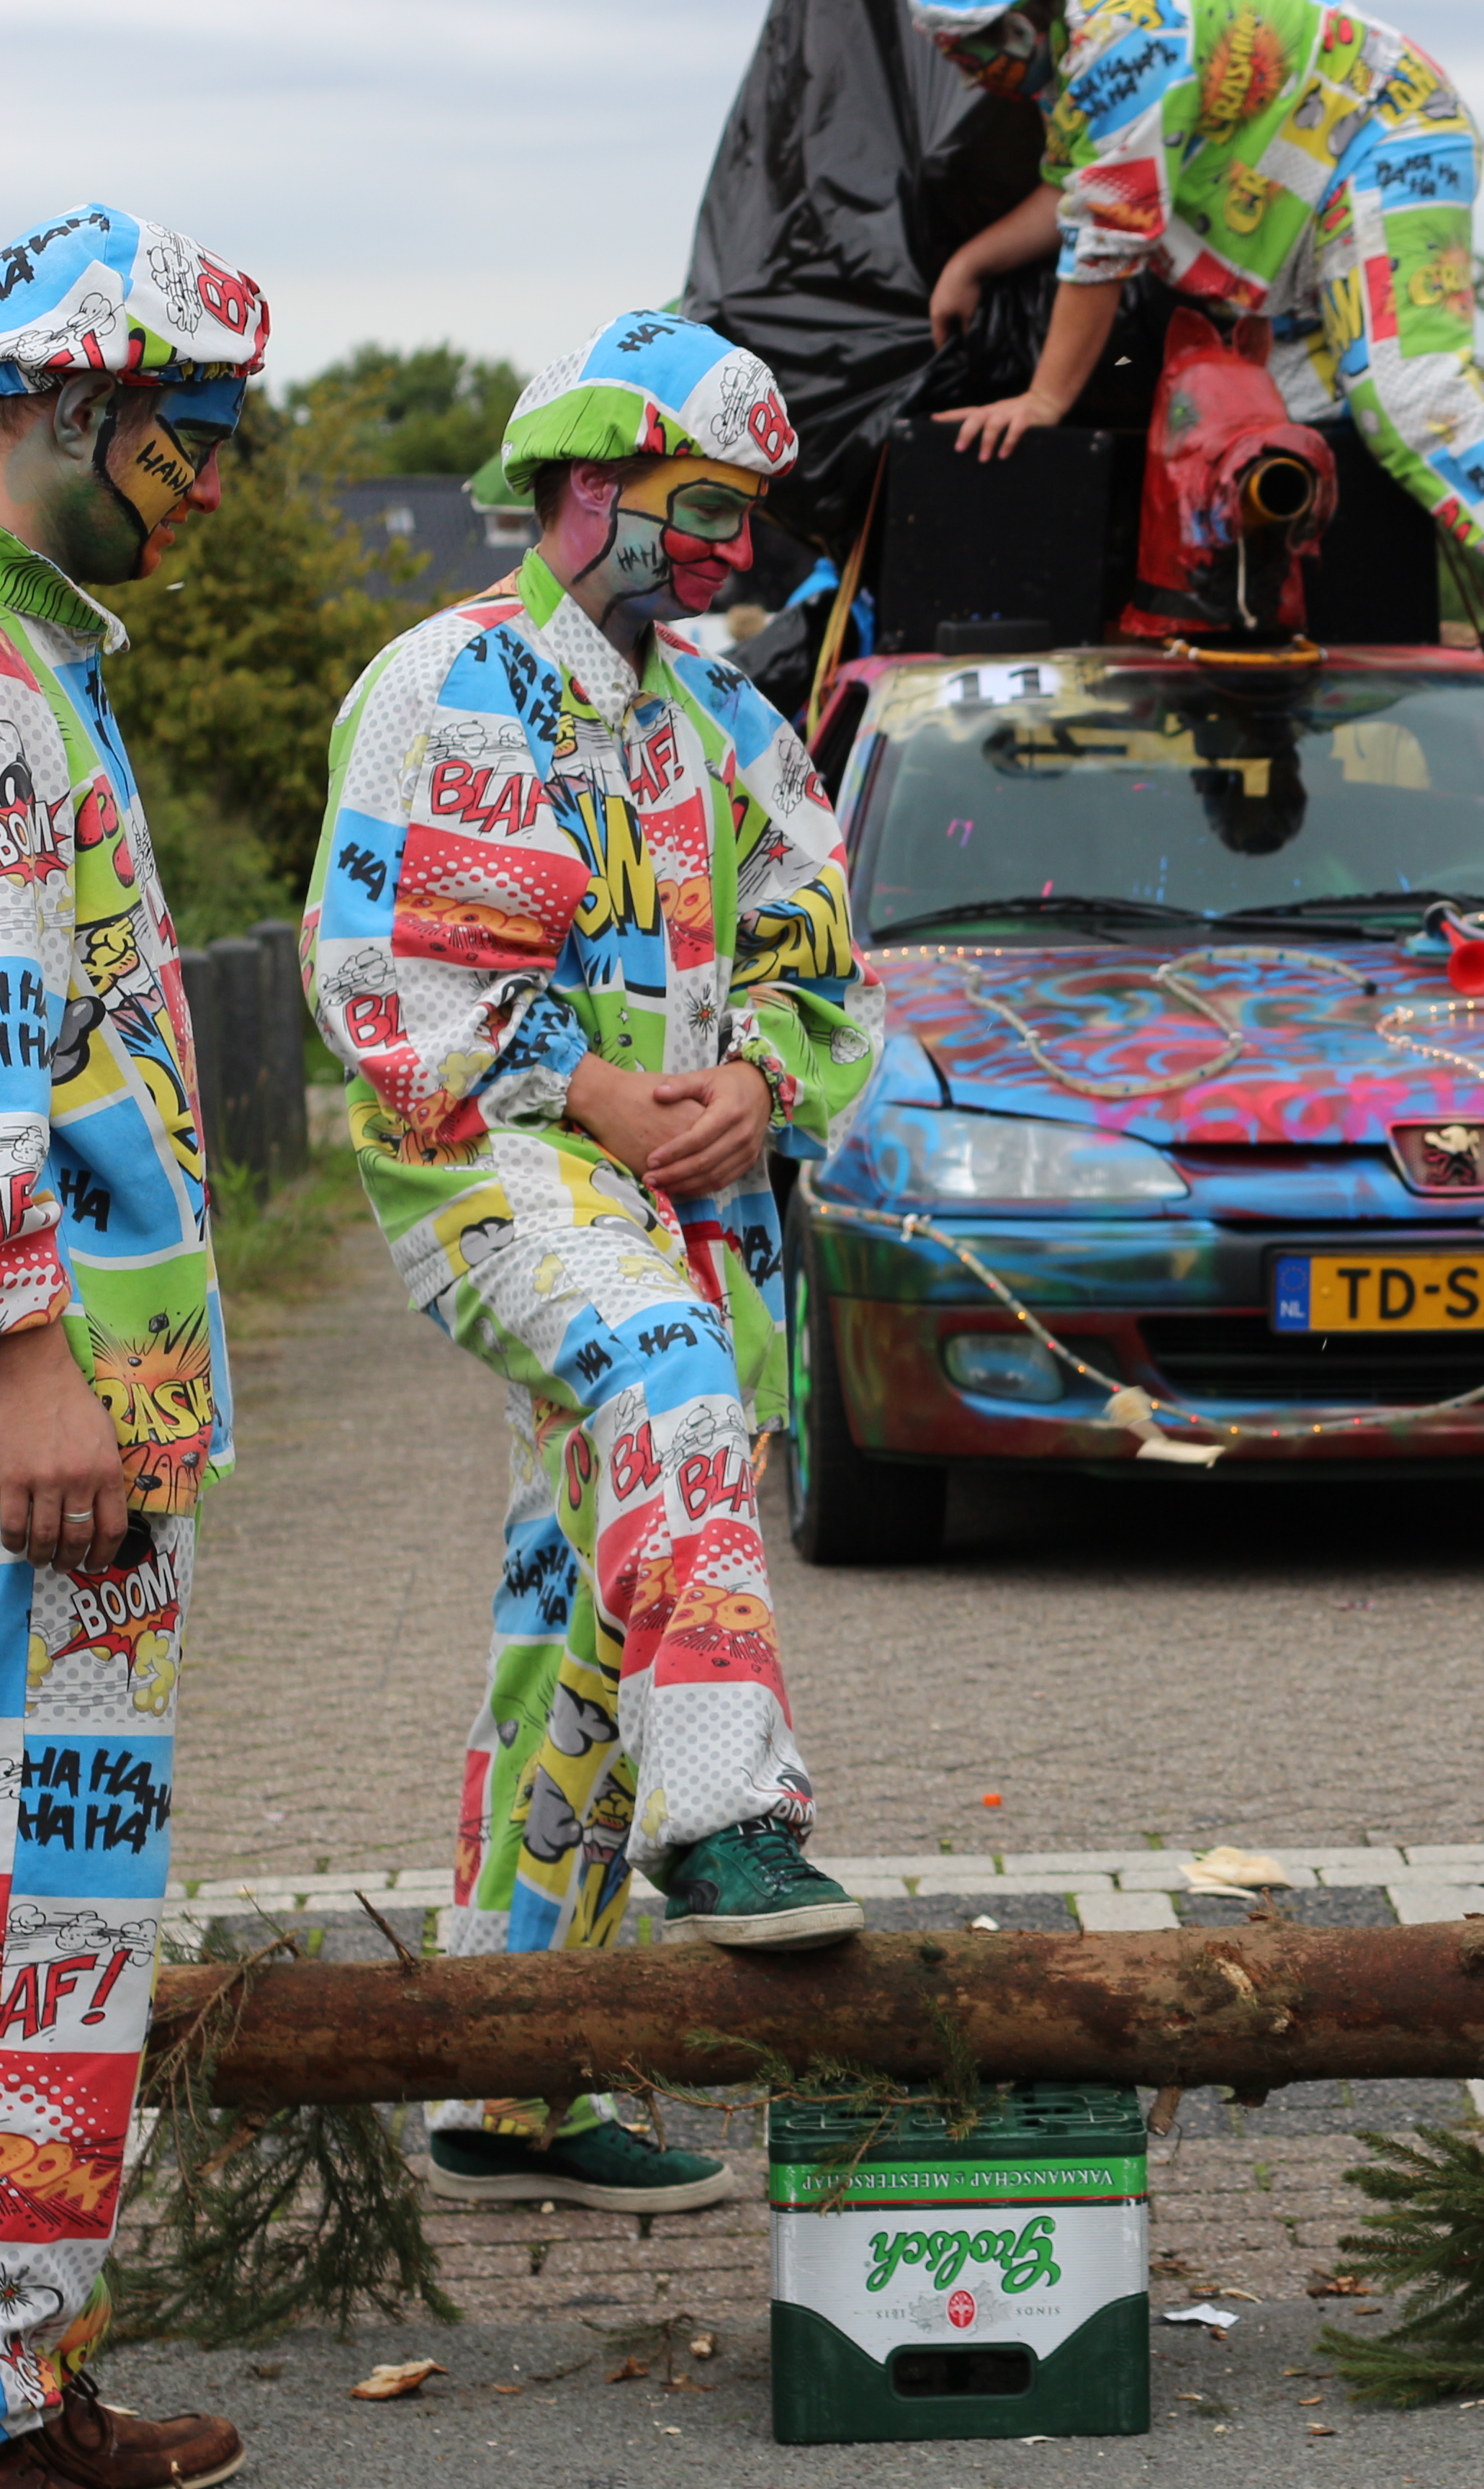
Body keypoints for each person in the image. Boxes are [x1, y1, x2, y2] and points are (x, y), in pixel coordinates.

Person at [308, 313, 884, 2215]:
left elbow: (823, 976)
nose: (733, 550)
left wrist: (752, 1087)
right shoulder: (451, 683)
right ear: (583, 485)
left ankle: (510, 2080)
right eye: (702, 508)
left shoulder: (734, 720)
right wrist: (609, 1099)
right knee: (663, 1378)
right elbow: (387, 979)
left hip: (695, 1202)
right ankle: (729, 1813)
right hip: (499, 1176)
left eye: (750, 515)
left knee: (579, 1627)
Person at [0, 199, 264, 2489]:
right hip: (48, 1411)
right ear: (68, 403)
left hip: (94, 1388)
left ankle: (22, 2370)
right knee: (51, 1901)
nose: (213, 487)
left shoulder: (42, 662)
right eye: (192, 439)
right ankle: (8, 2389)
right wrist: (31, 1361)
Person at [908, 0, 1484, 659]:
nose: (968, 77)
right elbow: (1079, 191)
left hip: (1390, 137)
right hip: (1321, 179)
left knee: (1404, 389)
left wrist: (1043, 402)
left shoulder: (1120, 48)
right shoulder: (1078, 59)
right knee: (1297, 414)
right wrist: (972, 263)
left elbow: (1108, 238)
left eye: (965, 52)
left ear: (1016, 24)